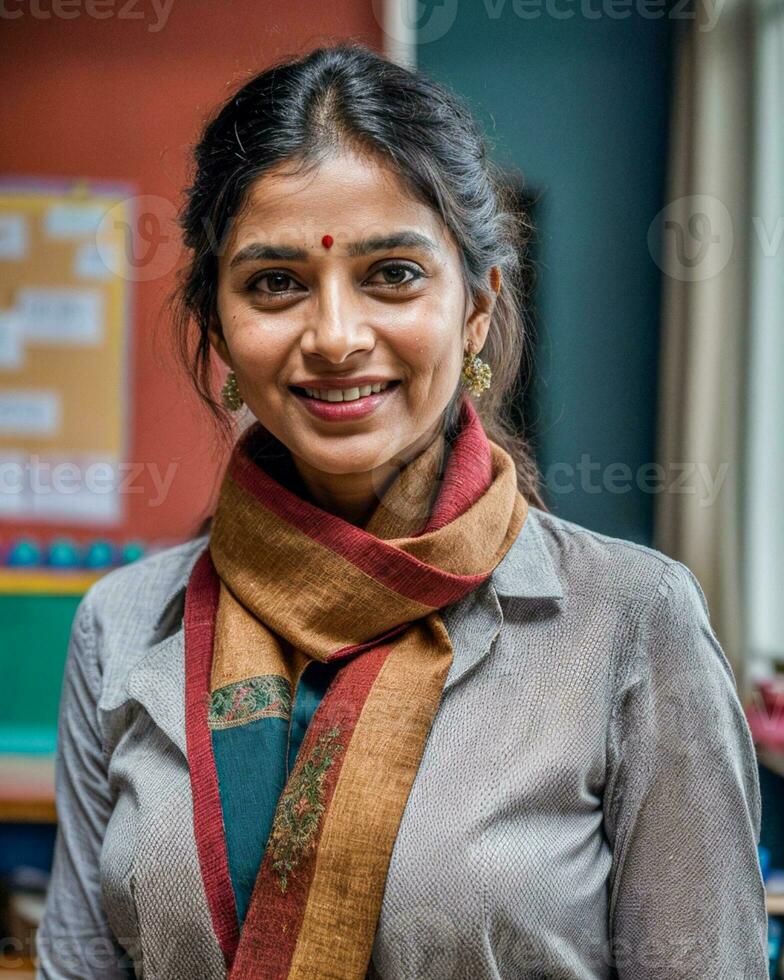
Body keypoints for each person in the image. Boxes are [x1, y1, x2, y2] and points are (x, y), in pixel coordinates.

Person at [36, 42, 767, 980]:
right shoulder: (127, 627)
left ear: (476, 308)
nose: (336, 337)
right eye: (275, 283)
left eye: (393, 275)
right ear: (217, 328)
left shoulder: (630, 623)